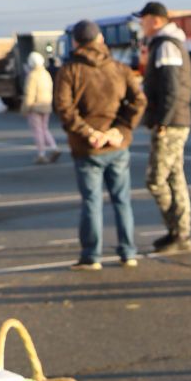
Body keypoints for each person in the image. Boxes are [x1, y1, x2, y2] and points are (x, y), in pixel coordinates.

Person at [53, 18, 146, 270]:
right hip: (117, 146)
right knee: (122, 200)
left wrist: (89, 132)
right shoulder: (119, 68)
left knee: (92, 202)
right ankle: (128, 252)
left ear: (75, 42)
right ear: (100, 40)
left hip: (88, 147)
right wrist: (121, 130)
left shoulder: (69, 71)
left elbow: (64, 108)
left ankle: (92, 256)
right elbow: (138, 102)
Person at [137, 0, 191, 254]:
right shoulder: (166, 43)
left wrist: (163, 120)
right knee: (173, 177)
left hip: (170, 122)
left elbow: (171, 88)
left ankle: (178, 230)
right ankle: (178, 232)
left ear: (156, 20)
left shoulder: (166, 45)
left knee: (156, 179)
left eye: (144, 20)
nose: (141, 25)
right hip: (175, 119)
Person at [20, 51, 59, 164]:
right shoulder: (45, 74)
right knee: (45, 129)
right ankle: (53, 147)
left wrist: (25, 109)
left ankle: (41, 154)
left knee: (37, 131)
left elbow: (29, 94)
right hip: (46, 105)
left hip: (35, 107)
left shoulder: (32, 76)